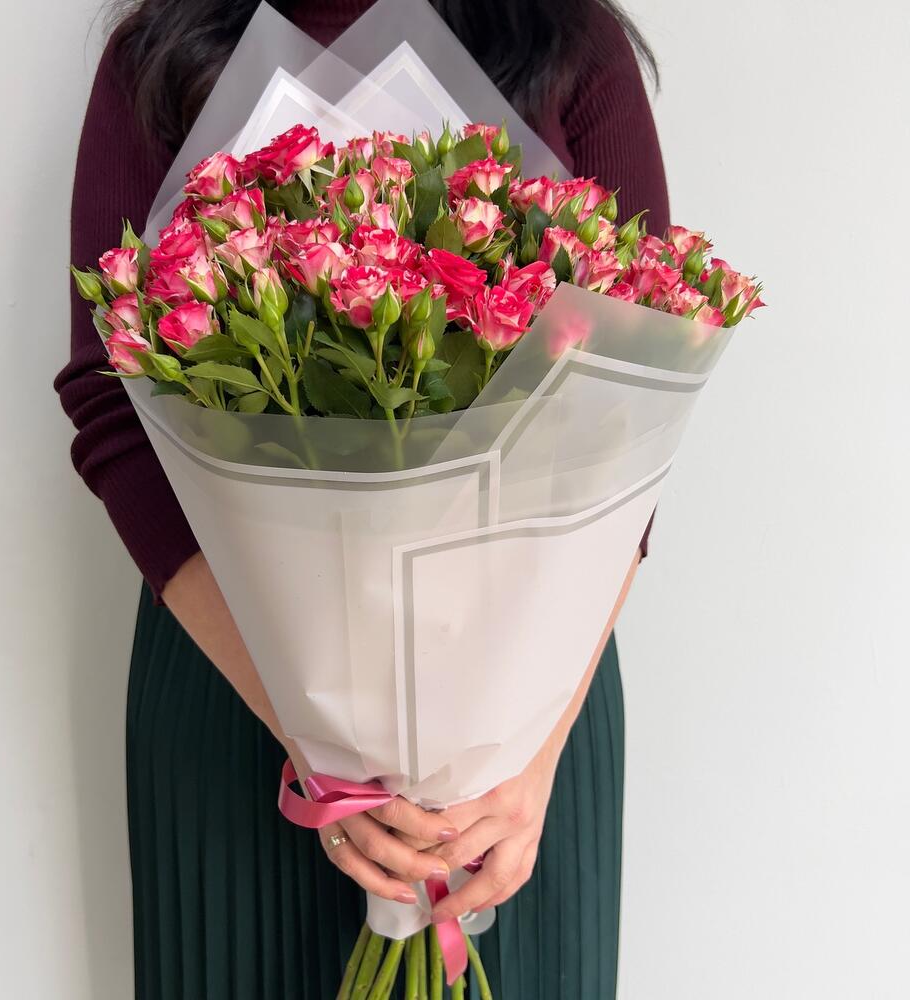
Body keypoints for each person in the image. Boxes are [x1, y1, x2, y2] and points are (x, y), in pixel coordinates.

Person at [55, 1, 669, 995]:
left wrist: (531, 760)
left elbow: (635, 401)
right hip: (234, 684)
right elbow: (110, 401)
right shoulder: (161, 52)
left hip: (522, 728)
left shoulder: (569, 38)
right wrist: (315, 741)